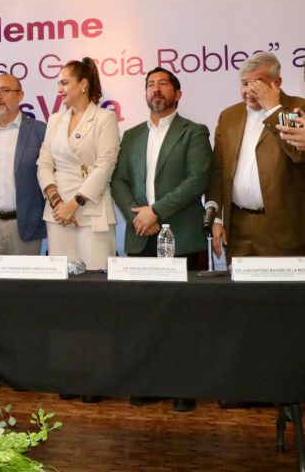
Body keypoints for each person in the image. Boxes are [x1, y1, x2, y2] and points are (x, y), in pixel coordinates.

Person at [111, 67, 212, 413]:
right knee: (145, 315)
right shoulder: (132, 135)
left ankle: (183, 387)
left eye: (163, 84)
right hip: (141, 236)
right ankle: (149, 383)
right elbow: (118, 181)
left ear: (177, 94)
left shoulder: (194, 132)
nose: (156, 89)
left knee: (181, 315)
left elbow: (198, 179)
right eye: (150, 84)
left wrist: (156, 211)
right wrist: (138, 216)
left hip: (181, 236)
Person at [208, 51, 305, 260]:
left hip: (283, 227)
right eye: (244, 84)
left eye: (257, 84)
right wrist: (216, 218)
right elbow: (218, 171)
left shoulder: (297, 108)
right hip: (237, 227)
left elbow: (298, 152)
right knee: (239, 283)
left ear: (277, 83)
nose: (249, 91)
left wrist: (273, 109)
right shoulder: (229, 116)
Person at [37, 57, 120, 271]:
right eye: (58, 84)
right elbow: (44, 164)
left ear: (83, 84)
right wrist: (58, 204)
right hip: (58, 214)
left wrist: (72, 205)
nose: (59, 90)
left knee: (94, 279)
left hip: (91, 209)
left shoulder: (105, 118)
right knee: (61, 279)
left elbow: (105, 165)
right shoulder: (55, 120)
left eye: (65, 83)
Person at [0, 74, 47, 262]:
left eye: (5, 91)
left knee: (22, 281)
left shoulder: (39, 131)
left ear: (20, 95)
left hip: (24, 226)